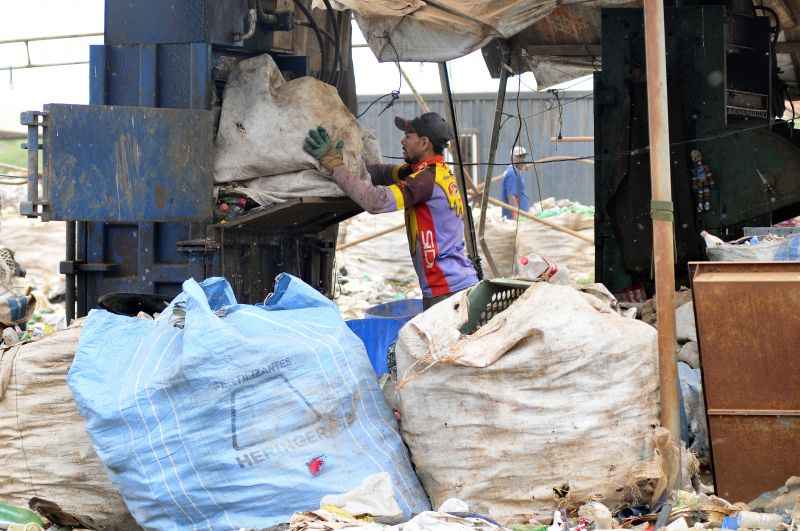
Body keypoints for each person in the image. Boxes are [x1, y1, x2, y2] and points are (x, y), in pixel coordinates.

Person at [303, 112, 479, 310]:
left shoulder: (425, 180)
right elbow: (381, 172)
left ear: (423, 143)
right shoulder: (433, 172)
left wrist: (333, 163)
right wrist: (346, 160)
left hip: (447, 292)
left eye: (408, 136)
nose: (402, 141)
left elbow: (375, 202)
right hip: (456, 284)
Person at [501, 146, 531, 219]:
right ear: (513, 159)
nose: (522, 160)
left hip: (520, 217)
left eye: (523, 157)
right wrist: (517, 217)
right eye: (519, 157)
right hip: (515, 219)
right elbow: (511, 196)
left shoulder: (513, 171)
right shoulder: (513, 173)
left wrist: (522, 168)